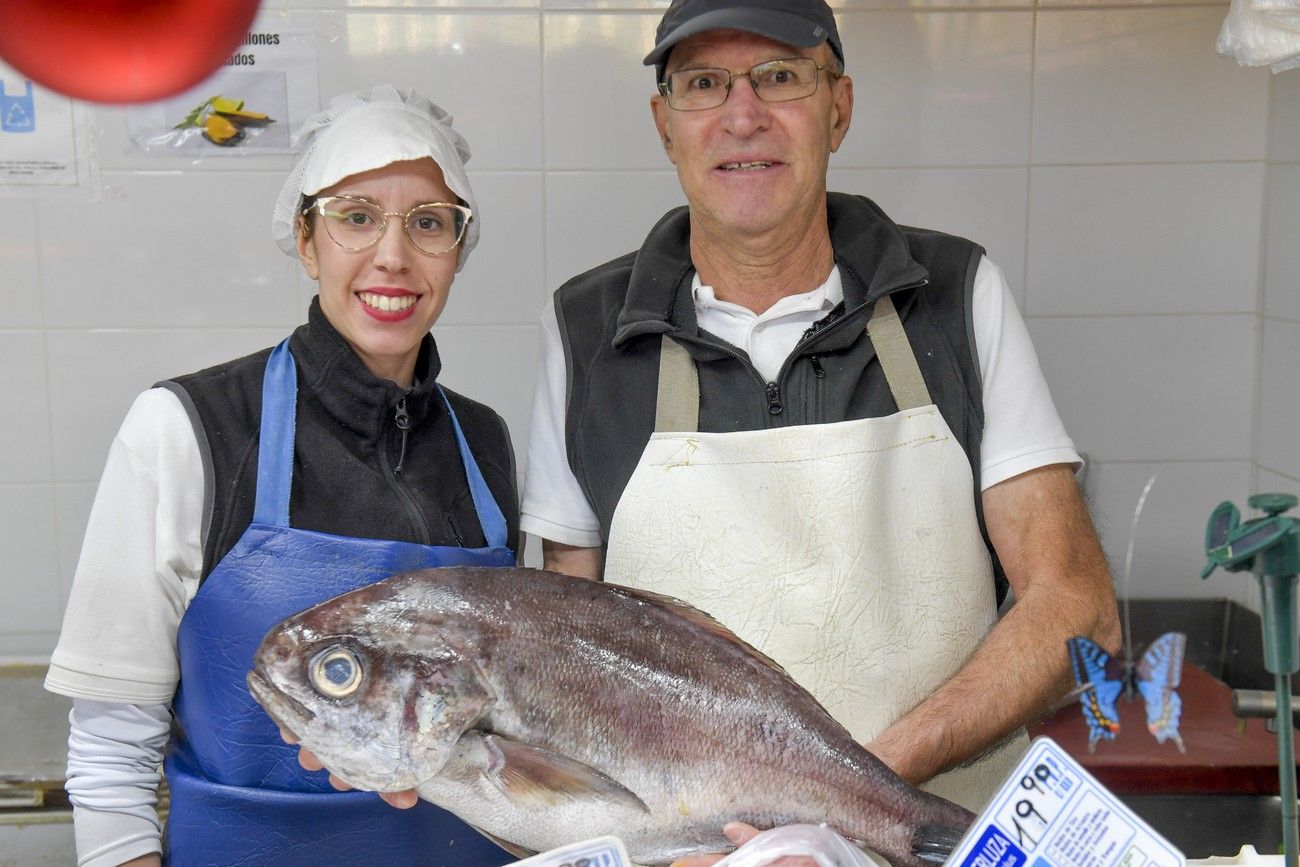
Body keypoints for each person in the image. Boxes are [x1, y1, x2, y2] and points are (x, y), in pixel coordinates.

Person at [520, 0, 1122, 821]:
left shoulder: (956, 294)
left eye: (780, 77)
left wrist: (853, 788)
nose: (743, 116)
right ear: (665, 124)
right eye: (703, 83)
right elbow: (562, 653)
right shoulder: (584, 331)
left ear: (838, 107)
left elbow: (1077, 607)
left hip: (933, 832)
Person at [43, 85, 520, 867]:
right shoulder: (186, 428)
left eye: (428, 223)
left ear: (457, 251)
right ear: (306, 240)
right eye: (356, 216)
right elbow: (109, 751)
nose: (392, 255)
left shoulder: (485, 442)